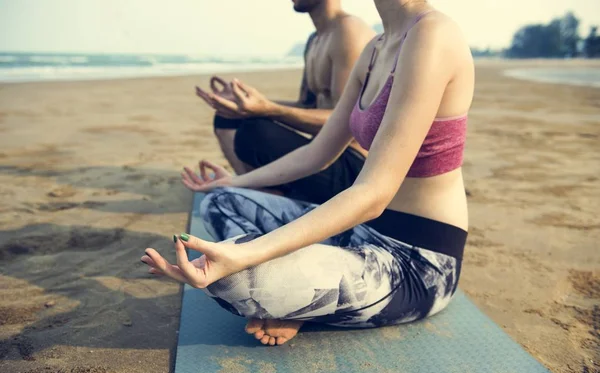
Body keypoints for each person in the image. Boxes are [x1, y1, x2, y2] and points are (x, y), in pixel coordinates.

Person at [142, 0, 474, 346]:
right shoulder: (376, 49)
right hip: (359, 233)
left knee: (228, 280)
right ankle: (296, 297)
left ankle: (293, 298)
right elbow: (316, 154)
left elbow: (374, 194)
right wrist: (234, 181)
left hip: (416, 261)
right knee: (220, 202)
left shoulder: (433, 35)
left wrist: (246, 255)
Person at [195, 0, 375, 204]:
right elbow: (307, 106)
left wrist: (267, 109)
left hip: (352, 166)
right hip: (320, 151)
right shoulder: (315, 39)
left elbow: (348, 122)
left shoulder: (348, 31)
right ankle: (262, 191)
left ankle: (270, 196)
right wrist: (247, 104)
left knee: (255, 131)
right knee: (228, 117)